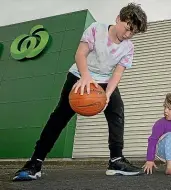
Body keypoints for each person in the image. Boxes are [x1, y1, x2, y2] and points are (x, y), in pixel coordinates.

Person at [13, 3, 148, 181]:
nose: (128, 34)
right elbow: (80, 54)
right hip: (80, 75)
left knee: (117, 111)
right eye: (128, 28)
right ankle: (35, 162)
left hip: (105, 81)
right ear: (118, 19)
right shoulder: (96, 29)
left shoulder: (128, 47)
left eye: (134, 32)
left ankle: (116, 160)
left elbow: (117, 72)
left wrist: (107, 94)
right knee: (59, 116)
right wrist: (85, 76)